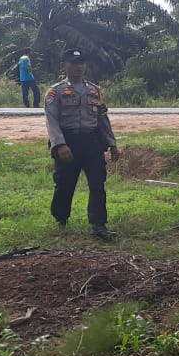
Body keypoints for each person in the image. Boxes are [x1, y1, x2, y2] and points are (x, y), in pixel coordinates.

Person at [44, 47, 119, 241]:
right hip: (68, 142)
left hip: (92, 142)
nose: (78, 67)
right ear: (64, 66)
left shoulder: (94, 90)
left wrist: (112, 143)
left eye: (81, 63)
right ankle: (61, 218)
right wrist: (60, 145)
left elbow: (103, 119)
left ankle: (99, 224)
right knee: (65, 184)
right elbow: (51, 121)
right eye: (74, 63)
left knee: (97, 183)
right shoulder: (55, 92)